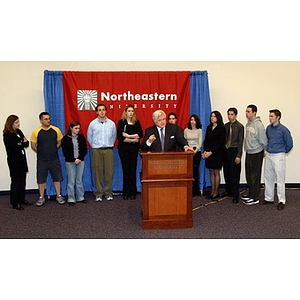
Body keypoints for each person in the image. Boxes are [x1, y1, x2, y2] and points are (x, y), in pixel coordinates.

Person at [261, 109, 293, 210]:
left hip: (279, 155)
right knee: (268, 177)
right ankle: (269, 198)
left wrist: (282, 151)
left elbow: (290, 144)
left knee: (280, 179)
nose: (270, 118)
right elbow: (267, 140)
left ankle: (281, 201)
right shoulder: (268, 128)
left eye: (272, 116)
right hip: (269, 155)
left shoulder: (284, 130)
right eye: (269, 116)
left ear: (278, 117)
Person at [31, 112, 65, 207]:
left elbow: (59, 142)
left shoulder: (56, 130)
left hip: (54, 159)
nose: (48, 120)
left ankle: (59, 195)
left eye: (49, 119)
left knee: (57, 178)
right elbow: (33, 145)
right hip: (42, 160)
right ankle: (41, 197)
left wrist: (53, 150)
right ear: (41, 120)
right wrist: (42, 151)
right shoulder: (36, 131)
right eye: (46, 119)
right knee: (41, 179)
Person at [87, 104, 116, 202]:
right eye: (99, 110)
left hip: (108, 150)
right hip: (96, 150)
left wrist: (109, 144)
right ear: (96, 112)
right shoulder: (92, 124)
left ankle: (108, 193)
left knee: (109, 172)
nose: (102, 112)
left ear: (106, 111)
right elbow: (89, 137)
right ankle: (98, 193)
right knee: (97, 172)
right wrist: (95, 146)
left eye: (103, 109)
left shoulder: (111, 124)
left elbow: (113, 136)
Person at [3, 115, 32, 210]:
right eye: (16, 122)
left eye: (18, 122)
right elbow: (15, 147)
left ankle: (21, 199)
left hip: (22, 159)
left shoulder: (19, 132)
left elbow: (26, 143)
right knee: (16, 181)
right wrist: (21, 143)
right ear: (10, 123)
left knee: (22, 180)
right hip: (14, 161)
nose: (18, 124)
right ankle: (15, 202)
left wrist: (21, 143)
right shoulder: (7, 135)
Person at [241, 104, 267, 205]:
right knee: (249, 174)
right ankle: (251, 193)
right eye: (246, 111)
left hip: (256, 153)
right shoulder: (248, 124)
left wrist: (264, 150)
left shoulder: (258, 125)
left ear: (254, 112)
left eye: (248, 111)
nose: (246, 113)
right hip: (249, 152)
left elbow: (263, 140)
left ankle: (255, 197)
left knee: (255, 176)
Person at [117, 105, 143, 200]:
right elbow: (120, 137)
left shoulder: (136, 122)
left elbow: (140, 134)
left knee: (132, 170)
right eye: (129, 111)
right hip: (123, 150)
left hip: (134, 150)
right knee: (125, 170)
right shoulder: (121, 122)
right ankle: (126, 192)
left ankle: (133, 191)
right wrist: (133, 138)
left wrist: (128, 136)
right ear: (125, 112)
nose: (131, 113)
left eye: (132, 111)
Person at [61, 120, 88, 206]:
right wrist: (73, 159)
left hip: (80, 161)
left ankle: (80, 197)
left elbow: (84, 150)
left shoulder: (81, 137)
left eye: (79, 128)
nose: (77, 130)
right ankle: (71, 198)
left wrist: (79, 158)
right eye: (76, 128)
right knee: (71, 180)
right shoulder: (65, 139)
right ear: (71, 128)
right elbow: (65, 152)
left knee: (79, 180)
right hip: (70, 162)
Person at [222, 108, 244, 203]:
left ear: (235, 115)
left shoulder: (239, 127)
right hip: (226, 151)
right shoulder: (226, 126)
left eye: (232, 114)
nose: (230, 116)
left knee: (234, 174)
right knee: (227, 172)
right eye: (228, 114)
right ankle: (228, 190)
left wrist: (239, 155)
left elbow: (240, 142)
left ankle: (235, 194)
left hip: (234, 151)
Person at [202, 111, 226, 200]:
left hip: (217, 153)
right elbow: (206, 140)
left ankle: (216, 192)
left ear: (218, 118)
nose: (212, 118)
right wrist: (205, 152)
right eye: (211, 116)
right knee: (211, 171)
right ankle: (212, 191)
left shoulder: (221, 128)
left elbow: (220, 143)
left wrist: (211, 152)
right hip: (209, 153)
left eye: (214, 116)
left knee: (216, 172)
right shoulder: (209, 127)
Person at [184, 114, 203, 196]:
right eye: (191, 119)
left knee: (195, 171)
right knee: (188, 172)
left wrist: (195, 151)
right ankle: (189, 189)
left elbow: (200, 143)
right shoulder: (186, 130)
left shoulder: (199, 131)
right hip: (188, 153)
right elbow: (184, 142)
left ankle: (196, 189)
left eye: (194, 120)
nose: (193, 121)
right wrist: (189, 150)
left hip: (196, 153)